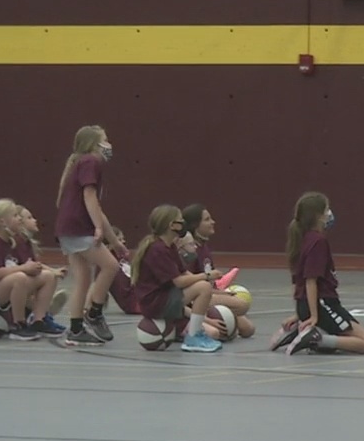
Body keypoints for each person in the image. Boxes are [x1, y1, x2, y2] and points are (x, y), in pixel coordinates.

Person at [54, 125, 128, 346]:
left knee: (83, 279)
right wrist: (97, 228)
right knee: (110, 266)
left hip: (68, 228)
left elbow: (98, 209)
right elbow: (90, 196)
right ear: (94, 144)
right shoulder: (90, 161)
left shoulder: (80, 163)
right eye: (105, 139)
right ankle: (94, 313)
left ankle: (76, 329)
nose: (109, 144)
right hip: (78, 227)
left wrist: (114, 241)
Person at [277, 192, 364, 356]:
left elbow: (298, 284)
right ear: (318, 216)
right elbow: (310, 281)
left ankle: (302, 332)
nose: (329, 213)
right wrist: (314, 315)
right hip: (324, 304)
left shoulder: (302, 239)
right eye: (326, 210)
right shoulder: (318, 242)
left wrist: (300, 314)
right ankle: (315, 338)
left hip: (309, 305)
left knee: (344, 336)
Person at [128, 204, 224, 353]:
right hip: (155, 303)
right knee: (203, 287)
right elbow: (178, 281)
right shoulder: (157, 249)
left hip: (163, 298)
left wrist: (206, 282)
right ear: (171, 225)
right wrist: (206, 276)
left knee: (203, 287)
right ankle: (193, 336)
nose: (183, 223)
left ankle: (193, 332)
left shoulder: (169, 246)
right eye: (180, 220)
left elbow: (184, 273)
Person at [0, 199, 64, 339]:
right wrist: (24, 268)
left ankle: (39, 320)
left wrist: (37, 268)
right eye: (15, 216)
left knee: (47, 276)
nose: (19, 219)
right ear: (2, 222)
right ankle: (18, 324)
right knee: (19, 277)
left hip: (10, 287)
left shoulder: (13, 242)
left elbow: (25, 264)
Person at [179, 204, 255, 340]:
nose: (212, 222)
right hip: (198, 298)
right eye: (207, 219)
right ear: (195, 225)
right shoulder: (190, 251)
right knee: (241, 305)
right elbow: (191, 284)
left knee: (248, 329)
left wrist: (222, 293)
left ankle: (217, 316)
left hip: (211, 293)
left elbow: (209, 283)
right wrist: (217, 293)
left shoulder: (204, 247)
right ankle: (202, 318)